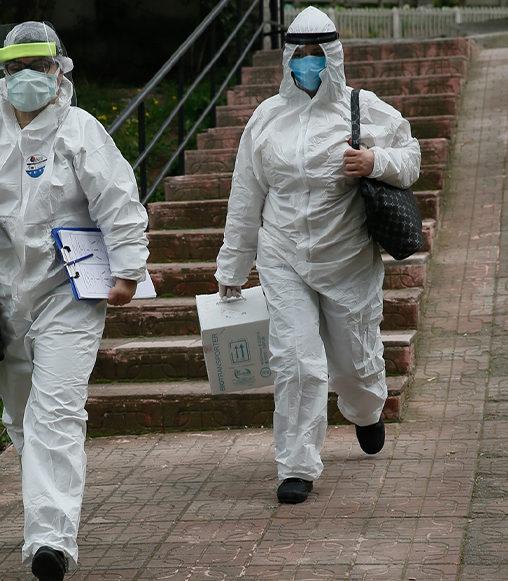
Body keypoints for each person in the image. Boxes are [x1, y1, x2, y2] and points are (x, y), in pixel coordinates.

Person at [0, 21, 149, 581]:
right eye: (16, 69)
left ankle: (50, 541)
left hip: (68, 294)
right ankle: (46, 508)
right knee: (24, 417)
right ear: (2, 74)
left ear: (60, 71)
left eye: (40, 68)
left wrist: (127, 268)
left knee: (55, 413)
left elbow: (119, 200)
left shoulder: (80, 132)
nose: (28, 79)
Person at [214, 7, 420, 504]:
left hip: (347, 256)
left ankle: (367, 410)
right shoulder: (267, 117)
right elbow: (246, 195)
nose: (307, 63)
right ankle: (297, 466)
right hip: (283, 256)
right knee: (298, 362)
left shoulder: (365, 109)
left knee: (353, 359)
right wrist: (232, 268)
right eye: (298, 54)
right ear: (287, 58)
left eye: (316, 55)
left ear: (333, 56)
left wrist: (376, 160)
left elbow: (411, 160)